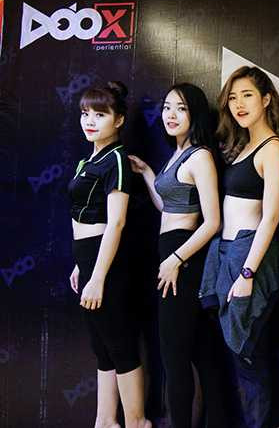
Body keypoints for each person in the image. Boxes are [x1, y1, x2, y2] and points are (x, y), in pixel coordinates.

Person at [198, 65, 279, 428]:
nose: (238, 104)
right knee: (247, 356)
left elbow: (271, 217)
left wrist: (248, 272)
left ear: (266, 99)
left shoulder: (273, 149)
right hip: (228, 255)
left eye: (247, 96)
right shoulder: (243, 146)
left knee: (249, 353)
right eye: (233, 98)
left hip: (252, 258)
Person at [128, 83, 228, 428]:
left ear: (194, 114)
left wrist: (176, 259)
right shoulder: (177, 153)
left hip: (184, 258)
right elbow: (169, 208)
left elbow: (212, 222)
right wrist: (147, 173)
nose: (170, 115)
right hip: (172, 253)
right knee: (201, 351)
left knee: (174, 357)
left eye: (181, 108)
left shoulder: (200, 156)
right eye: (167, 107)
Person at [68, 81, 150, 428]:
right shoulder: (87, 160)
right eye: (85, 113)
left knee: (120, 345)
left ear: (118, 120)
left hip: (108, 265)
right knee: (102, 347)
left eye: (100, 114)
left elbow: (116, 223)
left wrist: (99, 276)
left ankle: (137, 422)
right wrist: (81, 265)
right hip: (88, 259)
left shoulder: (116, 158)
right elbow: (80, 216)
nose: (90, 121)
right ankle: (105, 421)